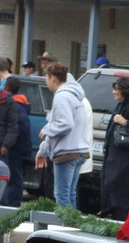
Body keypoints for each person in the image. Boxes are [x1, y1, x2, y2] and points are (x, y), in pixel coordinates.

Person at [36, 63, 90, 209]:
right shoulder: (75, 95)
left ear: (53, 77)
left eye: (46, 78)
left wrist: (46, 130)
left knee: (62, 194)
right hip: (80, 150)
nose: (46, 82)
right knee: (70, 193)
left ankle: (64, 222)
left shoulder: (61, 96)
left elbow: (65, 123)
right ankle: (72, 222)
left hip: (66, 151)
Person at [98, 77, 129, 220]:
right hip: (116, 153)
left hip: (127, 156)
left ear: (124, 91)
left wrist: (124, 121)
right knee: (110, 182)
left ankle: (121, 217)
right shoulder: (121, 105)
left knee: (120, 185)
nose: (113, 92)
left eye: (116, 89)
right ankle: (110, 210)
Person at [0, 77, 29, 206]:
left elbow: (14, 127)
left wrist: (6, 145)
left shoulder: (10, 102)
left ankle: (7, 206)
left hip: (5, 149)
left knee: (8, 178)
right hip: (13, 147)